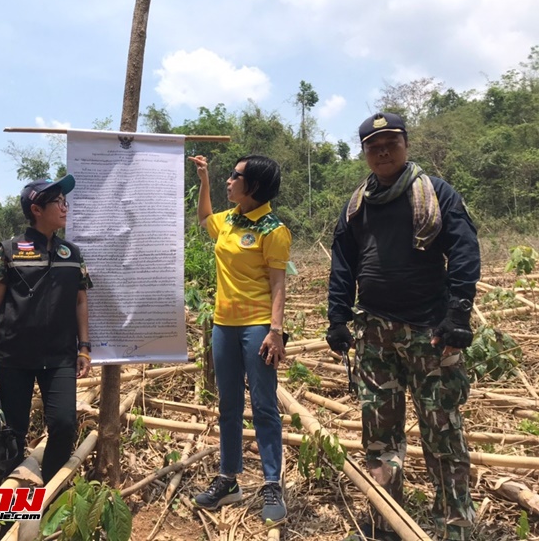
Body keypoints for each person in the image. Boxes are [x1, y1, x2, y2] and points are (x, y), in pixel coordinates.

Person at [327, 113, 480, 541]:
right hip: (374, 334)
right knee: (378, 434)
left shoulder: (435, 193)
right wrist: (337, 318)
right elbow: (343, 263)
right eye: (374, 146)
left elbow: (465, 251)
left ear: (406, 145)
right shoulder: (358, 203)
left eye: (391, 142)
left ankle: (455, 526)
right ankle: (386, 521)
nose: (383, 151)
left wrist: (458, 315)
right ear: (365, 153)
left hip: (429, 332)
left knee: (442, 432)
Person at [188, 154, 291, 525]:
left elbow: (278, 283)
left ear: (255, 186)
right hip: (223, 325)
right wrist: (204, 181)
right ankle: (229, 479)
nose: (229, 181)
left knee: (263, 405)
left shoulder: (272, 229)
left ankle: (271, 483)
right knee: (228, 405)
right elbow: (203, 219)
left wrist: (275, 331)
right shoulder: (229, 220)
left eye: (236, 176)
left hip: (258, 325)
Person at [0, 174, 92, 484]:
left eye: (64, 200)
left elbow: (81, 302)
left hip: (60, 357)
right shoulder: (10, 250)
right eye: (58, 201)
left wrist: (84, 347)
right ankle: (10, 498)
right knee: (13, 430)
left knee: (64, 423)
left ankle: (50, 488)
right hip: (13, 357)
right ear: (37, 209)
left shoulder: (72, 253)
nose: (64, 207)